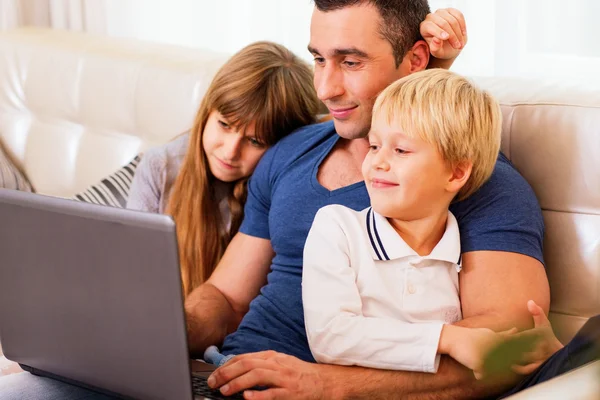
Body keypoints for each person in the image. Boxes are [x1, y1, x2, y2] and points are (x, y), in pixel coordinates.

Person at [185, 1, 593, 399]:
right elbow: (226, 298)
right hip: (224, 371)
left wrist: (330, 387)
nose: (325, 89)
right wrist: (166, 328)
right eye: (319, 60)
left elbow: (506, 350)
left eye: (350, 62)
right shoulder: (290, 152)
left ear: (416, 59)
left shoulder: (481, 185)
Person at [302, 69, 506, 378]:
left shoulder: (466, 259)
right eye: (374, 146)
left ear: (455, 174)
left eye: (400, 150)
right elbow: (331, 337)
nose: (377, 162)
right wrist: (447, 338)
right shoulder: (338, 227)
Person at [127, 41, 321, 297]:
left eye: (255, 141)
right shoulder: (161, 167)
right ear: (207, 110)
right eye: (224, 124)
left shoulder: (283, 191)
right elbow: (132, 275)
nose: (230, 151)